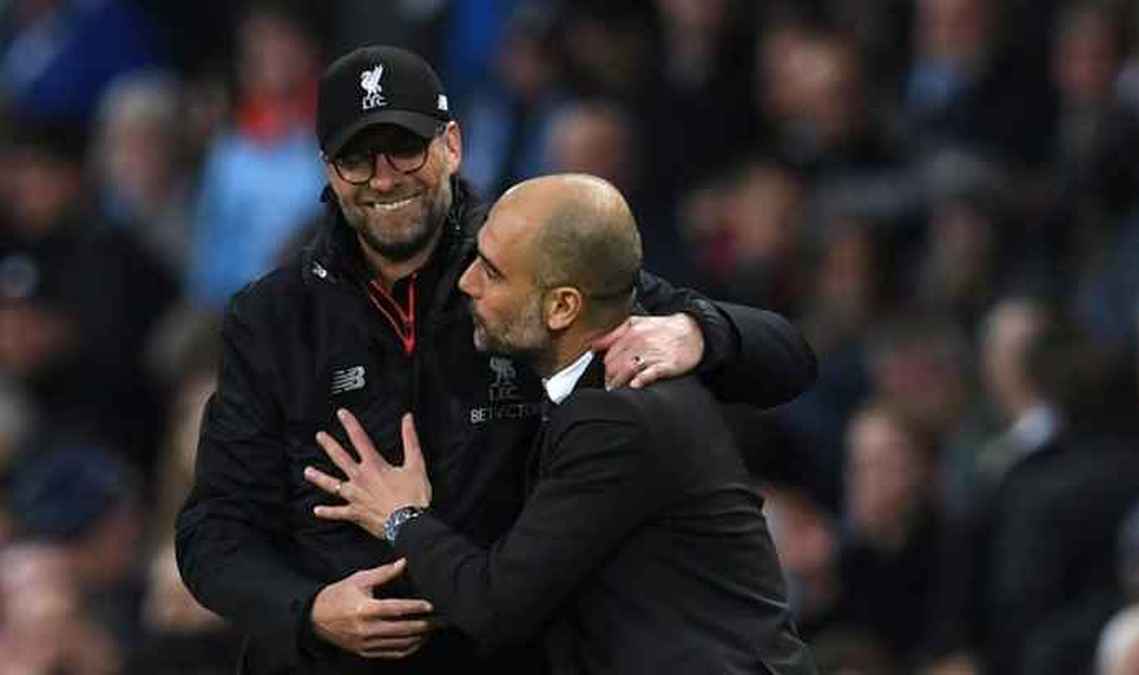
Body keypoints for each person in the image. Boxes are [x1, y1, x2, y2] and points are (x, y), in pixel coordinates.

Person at [175, 45, 818, 674]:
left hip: (500, 647)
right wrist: (309, 611)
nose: (384, 177)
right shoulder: (271, 317)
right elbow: (214, 528)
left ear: (452, 144)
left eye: (405, 148)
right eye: (356, 158)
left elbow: (788, 362)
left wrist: (698, 330)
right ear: (328, 169)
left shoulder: (527, 264)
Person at [304, 173, 816, 674]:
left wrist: (401, 516)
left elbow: (495, 607)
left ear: (563, 307)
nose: (466, 282)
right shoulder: (606, 373)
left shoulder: (614, 417)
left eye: (491, 272)